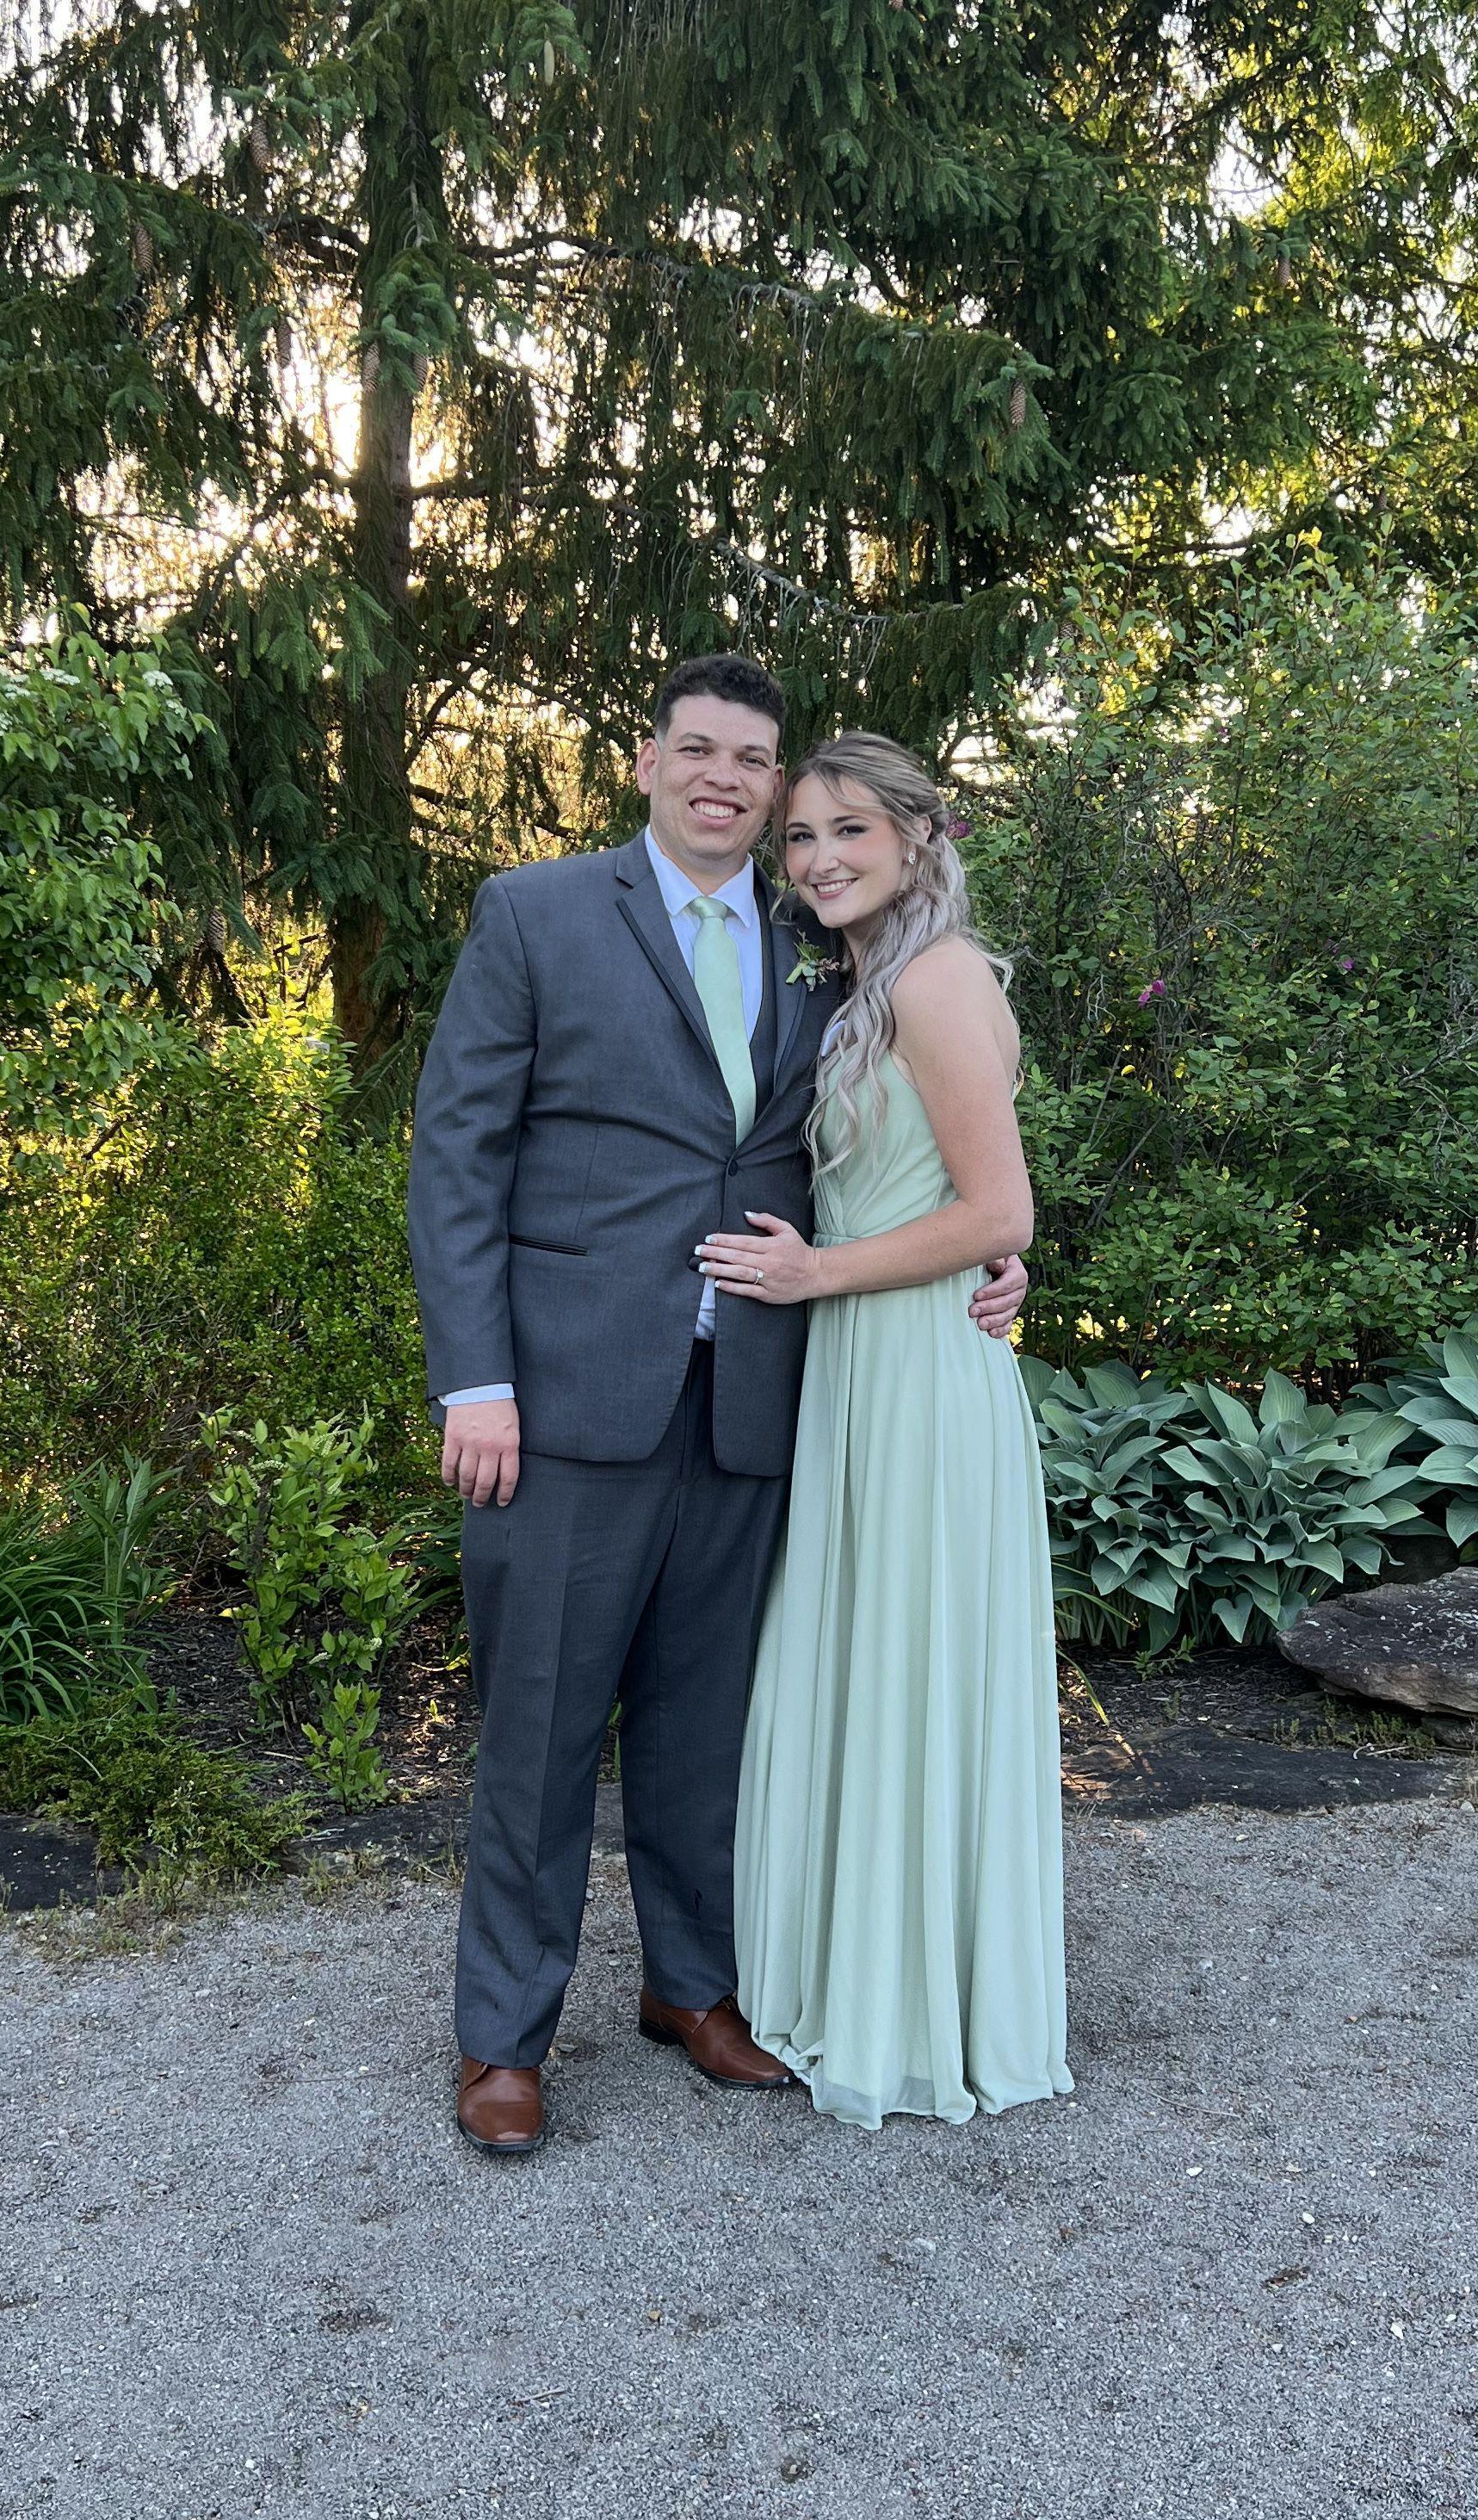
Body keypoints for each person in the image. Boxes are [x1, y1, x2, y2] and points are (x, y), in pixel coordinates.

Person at [405, 657, 1029, 2157]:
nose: (725, 779)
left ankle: (691, 1987)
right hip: (566, 1400)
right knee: (543, 1732)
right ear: (646, 762)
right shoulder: (538, 913)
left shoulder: (830, 944)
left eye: (753, 761)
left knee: (708, 1729)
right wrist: (475, 1380)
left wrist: (998, 1250)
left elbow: (927, 1136)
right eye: (698, 749)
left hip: (761, 1398)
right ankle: (505, 2038)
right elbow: (457, 1159)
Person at [705, 731, 1071, 2129]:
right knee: (866, 1662)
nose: (819, 859)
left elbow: (1000, 1212)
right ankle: (863, 1977)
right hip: (862, 1369)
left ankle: (917, 2007)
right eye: (801, 836)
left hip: (915, 1373)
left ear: (919, 836)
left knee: (909, 1664)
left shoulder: (938, 977)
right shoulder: (860, 982)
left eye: (849, 829)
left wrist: (817, 1273)